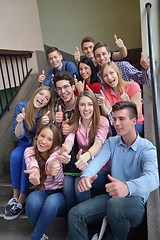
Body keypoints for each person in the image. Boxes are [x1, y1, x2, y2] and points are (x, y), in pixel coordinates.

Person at [68, 101, 159, 240]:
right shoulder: (111, 142)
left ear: (134, 121)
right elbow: (97, 162)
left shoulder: (147, 148)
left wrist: (127, 187)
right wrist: (86, 176)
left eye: (121, 119)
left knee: (114, 204)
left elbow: (153, 178)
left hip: (134, 203)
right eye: (114, 119)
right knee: (75, 214)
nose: (116, 123)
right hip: (112, 198)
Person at [4, 86, 54, 220]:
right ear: (35, 93)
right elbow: (18, 135)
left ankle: (22, 199)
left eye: (46, 98)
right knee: (15, 156)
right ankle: (15, 197)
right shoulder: (21, 106)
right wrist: (20, 122)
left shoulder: (46, 113)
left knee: (26, 159)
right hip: (24, 142)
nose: (42, 99)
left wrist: (45, 124)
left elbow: (44, 138)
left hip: (36, 145)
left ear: (47, 103)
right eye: (41, 94)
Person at [60, 91, 109, 212]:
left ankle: (85, 218)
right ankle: (71, 217)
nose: (86, 108)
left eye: (90, 104)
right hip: (82, 166)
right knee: (66, 183)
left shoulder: (102, 121)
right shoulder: (75, 122)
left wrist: (87, 156)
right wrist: (65, 151)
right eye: (82, 105)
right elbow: (69, 140)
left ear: (94, 106)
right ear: (78, 107)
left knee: (80, 183)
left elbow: (98, 143)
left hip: (100, 170)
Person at [24, 124, 65, 240]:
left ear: (55, 143)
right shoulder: (29, 150)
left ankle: (35, 237)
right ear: (37, 136)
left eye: (49, 139)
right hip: (42, 191)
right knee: (32, 200)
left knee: (50, 203)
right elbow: (32, 163)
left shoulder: (58, 152)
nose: (43, 141)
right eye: (42, 136)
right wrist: (34, 172)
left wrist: (54, 169)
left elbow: (59, 177)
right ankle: (41, 235)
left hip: (59, 193)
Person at [98, 61, 144, 136]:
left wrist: (128, 103)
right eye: (105, 76)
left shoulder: (133, 86)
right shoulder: (105, 93)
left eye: (111, 73)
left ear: (117, 73)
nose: (109, 77)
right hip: (117, 126)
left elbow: (136, 115)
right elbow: (110, 118)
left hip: (135, 125)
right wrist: (103, 105)